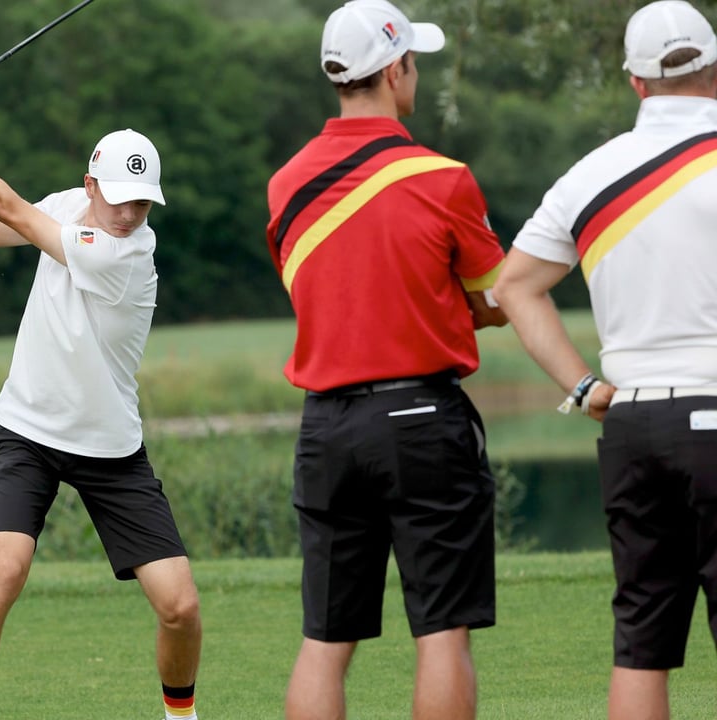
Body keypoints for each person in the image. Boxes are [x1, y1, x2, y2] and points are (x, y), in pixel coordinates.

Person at [0, 89, 203, 720]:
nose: (130, 214)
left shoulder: (129, 253)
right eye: (119, 199)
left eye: (143, 202)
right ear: (90, 184)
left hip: (110, 447)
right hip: (29, 430)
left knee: (180, 606)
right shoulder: (69, 209)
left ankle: (181, 715)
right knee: (4, 570)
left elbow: (7, 205)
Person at [264, 2, 509, 718]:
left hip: (326, 427)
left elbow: (318, 290)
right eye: (415, 64)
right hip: (421, 418)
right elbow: (494, 301)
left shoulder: (285, 184)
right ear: (397, 69)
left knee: (326, 638)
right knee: (440, 630)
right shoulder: (443, 177)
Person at [493, 2, 717, 717]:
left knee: (642, 643)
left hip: (632, 427)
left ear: (634, 81)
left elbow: (512, 287)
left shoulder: (588, 174)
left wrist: (584, 386)